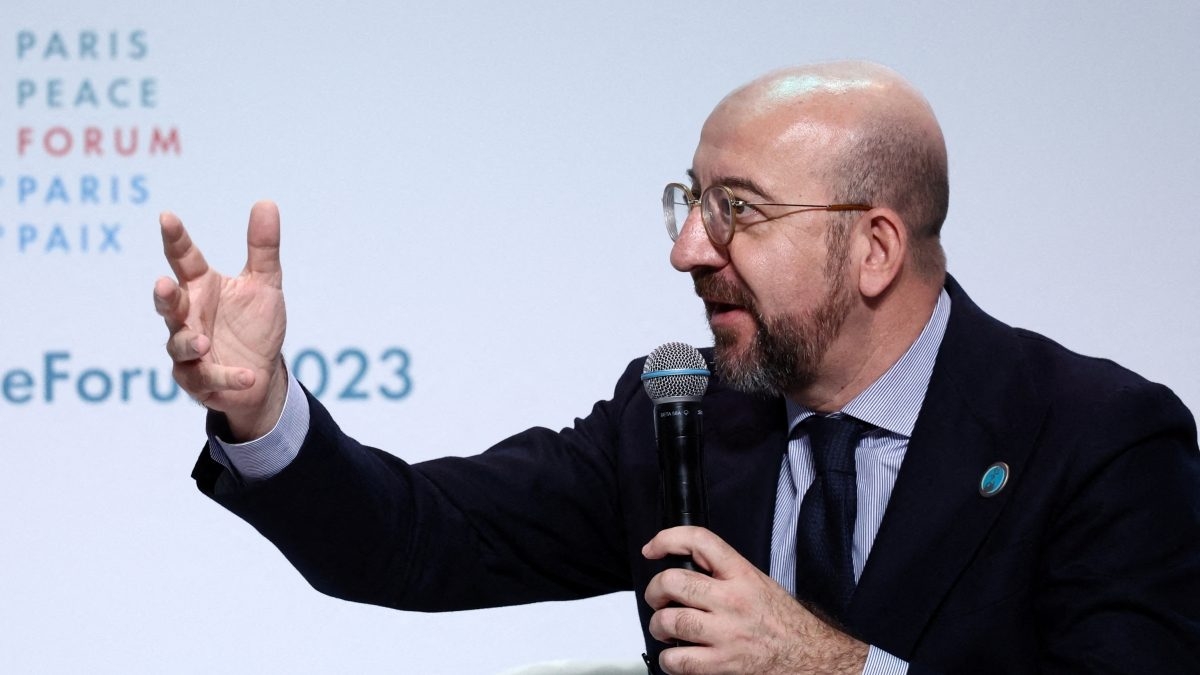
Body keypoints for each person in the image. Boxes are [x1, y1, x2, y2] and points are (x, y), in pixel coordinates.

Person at [153, 61, 1200, 674]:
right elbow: (413, 541)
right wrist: (263, 409)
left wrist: (834, 668)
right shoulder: (679, 414)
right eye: (689, 201)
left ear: (875, 248)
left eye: (736, 209)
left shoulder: (1098, 438)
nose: (689, 248)